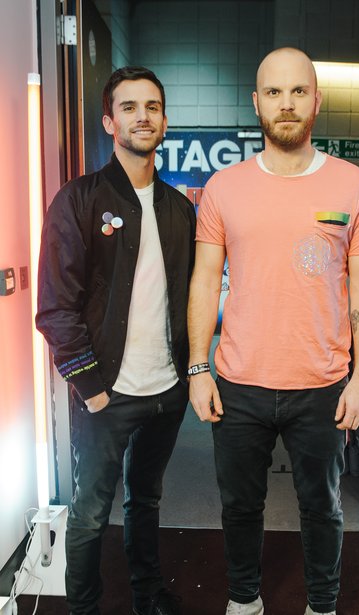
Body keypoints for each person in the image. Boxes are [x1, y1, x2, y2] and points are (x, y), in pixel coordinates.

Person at [187, 47, 359, 615]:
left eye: (299, 91)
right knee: (239, 506)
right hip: (238, 382)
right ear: (256, 103)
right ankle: (244, 600)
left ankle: (322, 604)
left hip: (321, 383)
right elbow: (204, 282)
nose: (286, 104)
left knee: (322, 507)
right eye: (274, 92)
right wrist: (199, 368)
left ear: (316, 100)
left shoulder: (354, 187)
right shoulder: (224, 187)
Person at [36, 66, 196, 615]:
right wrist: (90, 385)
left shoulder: (180, 209)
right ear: (109, 120)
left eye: (152, 106)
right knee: (89, 510)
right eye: (129, 107)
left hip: (165, 391)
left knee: (146, 499)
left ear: (165, 121)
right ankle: (84, 608)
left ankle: (147, 595)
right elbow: (55, 306)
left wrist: (190, 375)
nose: (142, 116)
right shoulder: (78, 200)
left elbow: (191, 300)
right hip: (105, 393)